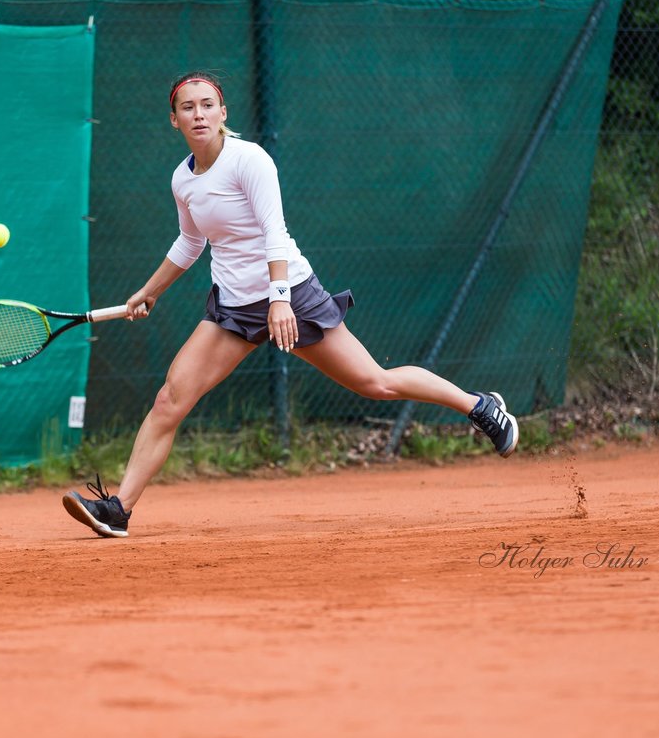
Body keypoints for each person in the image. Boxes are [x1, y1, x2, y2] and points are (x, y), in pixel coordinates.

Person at [63, 71, 518, 538]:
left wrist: (280, 300)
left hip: (292, 294)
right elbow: (190, 241)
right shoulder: (183, 179)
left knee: (374, 383)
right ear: (173, 120)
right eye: (187, 107)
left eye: (206, 105)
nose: (197, 114)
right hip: (234, 309)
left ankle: (480, 407)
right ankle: (119, 509)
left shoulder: (249, 161)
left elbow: (274, 232)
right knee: (170, 400)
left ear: (223, 113)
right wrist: (150, 290)